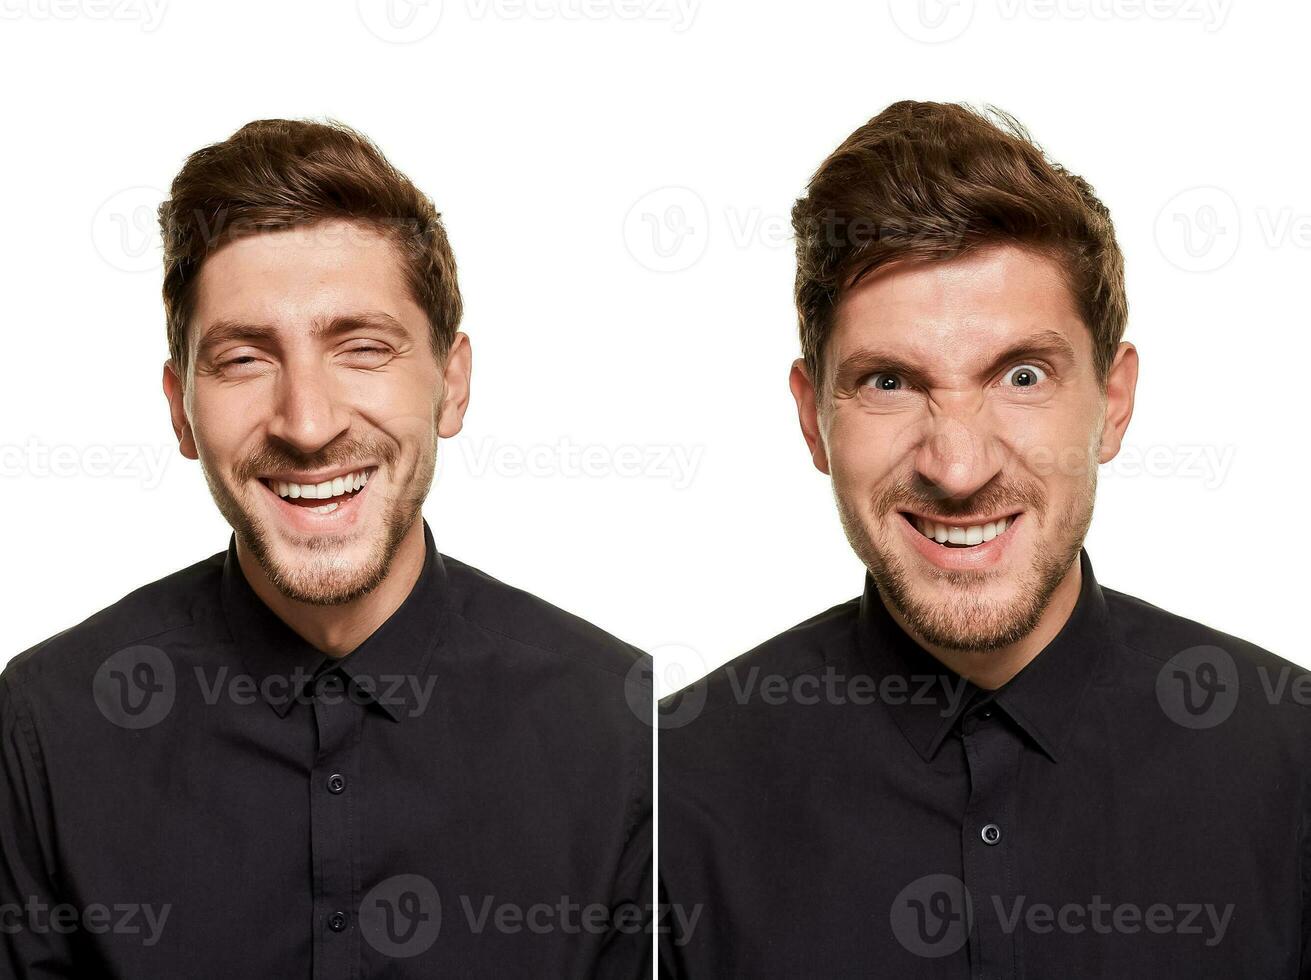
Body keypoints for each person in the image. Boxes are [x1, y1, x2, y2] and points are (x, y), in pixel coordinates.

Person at [659, 101, 1310, 978]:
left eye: (1021, 375)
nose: (957, 467)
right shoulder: (667, 795)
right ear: (813, 420)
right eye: (888, 382)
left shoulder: (1292, 764)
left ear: (1112, 403)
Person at [0, 118, 651, 978]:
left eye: (363, 349)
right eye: (242, 359)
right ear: (179, 408)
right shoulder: (47, 725)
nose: (307, 424)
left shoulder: (624, 729)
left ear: (451, 384)